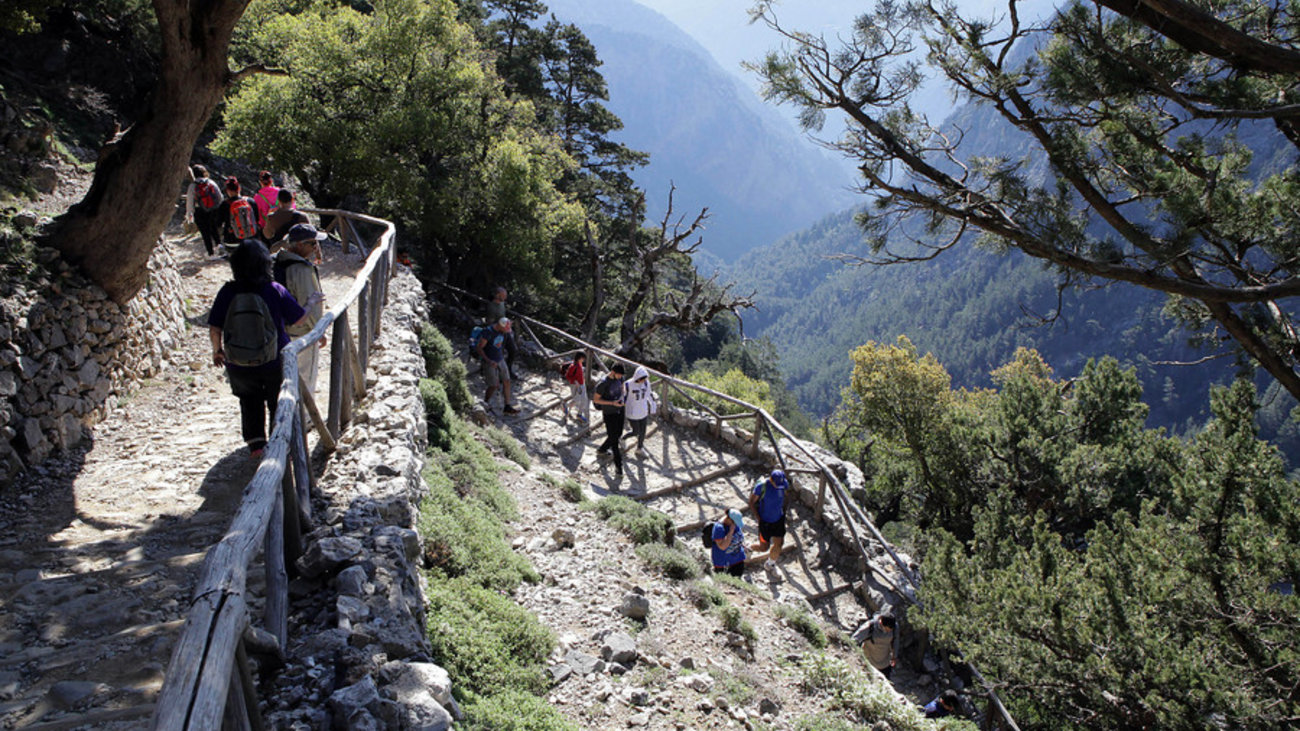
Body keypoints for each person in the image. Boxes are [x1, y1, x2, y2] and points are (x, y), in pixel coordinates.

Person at [208, 240, 315, 459]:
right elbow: (298, 319)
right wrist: (311, 303)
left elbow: (215, 327)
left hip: (238, 362)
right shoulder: (274, 289)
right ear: (265, 263)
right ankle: (279, 442)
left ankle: (256, 445)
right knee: (278, 399)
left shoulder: (227, 291)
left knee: (248, 400)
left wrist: (217, 351)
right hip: (275, 359)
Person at [274, 224, 328, 394]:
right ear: (299, 245)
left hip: (279, 331)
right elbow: (309, 302)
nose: (316, 247)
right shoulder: (302, 269)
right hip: (301, 332)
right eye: (312, 243)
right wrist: (318, 331)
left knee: (285, 378)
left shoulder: (277, 262)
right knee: (305, 378)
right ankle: (305, 411)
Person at [749, 469, 789, 573]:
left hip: (778, 519)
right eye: (776, 484)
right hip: (765, 521)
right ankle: (748, 548)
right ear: (771, 480)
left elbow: (786, 496)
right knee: (764, 547)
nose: (779, 486)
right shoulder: (762, 486)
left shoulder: (783, 484)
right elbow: (751, 502)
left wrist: (784, 511)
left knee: (779, 544)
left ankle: (770, 564)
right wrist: (759, 519)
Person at [477, 317, 519, 414]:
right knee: (493, 385)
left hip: (500, 359)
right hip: (489, 361)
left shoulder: (503, 332)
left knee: (507, 381)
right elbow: (479, 348)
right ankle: (485, 403)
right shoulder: (488, 332)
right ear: (500, 326)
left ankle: (507, 406)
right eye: (505, 329)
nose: (506, 331)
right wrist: (488, 361)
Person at [591, 363, 626, 477]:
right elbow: (596, 400)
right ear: (613, 372)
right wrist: (612, 403)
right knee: (614, 441)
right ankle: (619, 467)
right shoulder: (603, 383)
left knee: (618, 434)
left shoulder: (620, 378)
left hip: (620, 409)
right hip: (609, 413)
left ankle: (602, 449)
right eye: (619, 375)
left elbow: (623, 387)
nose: (620, 377)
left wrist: (622, 396)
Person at [188, 164, 224, 258]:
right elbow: (220, 197)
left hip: (199, 211)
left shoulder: (193, 186)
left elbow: (190, 202)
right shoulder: (211, 182)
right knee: (213, 228)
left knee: (205, 233)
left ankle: (211, 253)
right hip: (213, 210)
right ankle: (219, 246)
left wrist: (189, 214)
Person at [484, 286, 518, 378]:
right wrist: (500, 326)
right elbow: (490, 322)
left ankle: (508, 370)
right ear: (498, 295)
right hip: (497, 333)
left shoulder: (502, 303)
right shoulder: (491, 307)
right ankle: (499, 374)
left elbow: (502, 316)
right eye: (504, 295)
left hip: (505, 331)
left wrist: (507, 323)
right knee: (499, 353)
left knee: (513, 350)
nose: (505, 297)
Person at [622, 365, 657, 455]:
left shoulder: (646, 383)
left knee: (643, 431)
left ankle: (639, 448)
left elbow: (650, 395)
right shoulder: (628, 384)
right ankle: (623, 438)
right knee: (635, 431)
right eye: (643, 379)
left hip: (643, 410)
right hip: (632, 412)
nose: (644, 380)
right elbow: (623, 397)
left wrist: (653, 407)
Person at [218, 177, 259, 248]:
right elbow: (257, 219)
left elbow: (218, 223)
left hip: (232, 242)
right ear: (239, 188)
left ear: (228, 191)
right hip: (252, 239)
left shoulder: (224, 205)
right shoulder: (250, 201)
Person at [856, 612, 900, 679]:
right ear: (881, 623)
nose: (889, 631)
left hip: (885, 663)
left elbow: (896, 641)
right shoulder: (870, 627)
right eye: (887, 629)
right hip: (869, 663)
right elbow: (855, 639)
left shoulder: (895, 627)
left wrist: (895, 656)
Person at [710, 508, 746, 577]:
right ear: (729, 519)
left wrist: (742, 544)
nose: (736, 524)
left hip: (738, 559)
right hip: (724, 563)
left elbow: (738, 535)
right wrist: (730, 532)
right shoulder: (719, 528)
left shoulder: (734, 524)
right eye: (735, 522)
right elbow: (722, 547)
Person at [562, 352, 589, 423]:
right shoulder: (573, 366)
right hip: (575, 386)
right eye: (583, 358)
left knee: (584, 400)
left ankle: (579, 414)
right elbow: (568, 376)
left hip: (582, 384)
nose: (583, 360)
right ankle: (565, 405)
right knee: (577, 400)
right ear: (579, 358)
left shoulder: (580, 364)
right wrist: (575, 381)